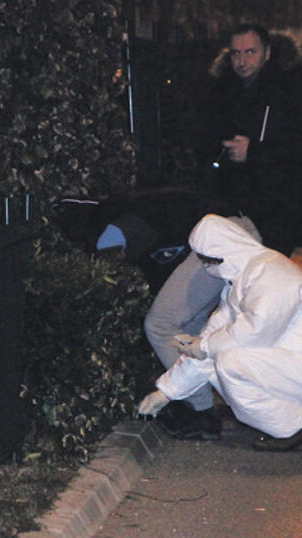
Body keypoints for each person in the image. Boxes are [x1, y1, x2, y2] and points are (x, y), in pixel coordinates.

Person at [54, 188, 260, 441]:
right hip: (239, 230)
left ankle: (202, 412)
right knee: (188, 329)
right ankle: (237, 404)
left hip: (219, 240)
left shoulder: (112, 229)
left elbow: (109, 260)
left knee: (160, 325)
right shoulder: (140, 206)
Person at [137, 214, 302, 451]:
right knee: (221, 358)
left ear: (224, 254)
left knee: (230, 362)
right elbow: (209, 345)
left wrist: (206, 347)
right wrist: (165, 393)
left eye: (207, 260)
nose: (206, 268)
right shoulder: (240, 284)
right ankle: (293, 419)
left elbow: (256, 330)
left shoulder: (271, 274)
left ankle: (296, 424)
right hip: (296, 361)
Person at [200, 24, 302, 256]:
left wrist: (255, 152)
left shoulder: (294, 90)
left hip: (279, 209)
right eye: (236, 53)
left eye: (250, 52)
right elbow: (204, 141)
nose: (242, 60)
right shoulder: (220, 92)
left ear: (267, 53)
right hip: (233, 205)